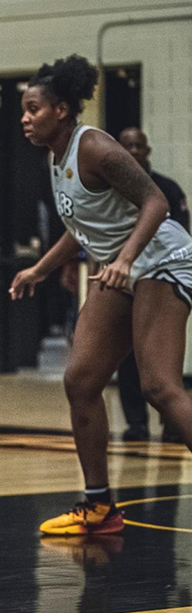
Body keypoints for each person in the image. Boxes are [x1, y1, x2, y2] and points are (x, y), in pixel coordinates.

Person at [10, 55, 192, 535]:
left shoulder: (93, 147)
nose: (25, 118)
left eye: (33, 109)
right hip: (123, 266)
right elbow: (82, 227)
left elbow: (157, 202)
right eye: (23, 110)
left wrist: (125, 261)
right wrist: (41, 269)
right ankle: (98, 507)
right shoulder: (55, 156)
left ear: (62, 109)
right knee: (81, 380)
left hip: (163, 259)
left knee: (159, 386)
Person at [114, 127, 190, 442]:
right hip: (123, 277)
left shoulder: (167, 189)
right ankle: (136, 424)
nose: (133, 151)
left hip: (160, 275)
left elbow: (180, 234)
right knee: (126, 358)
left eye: (138, 146)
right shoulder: (111, 188)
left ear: (147, 151)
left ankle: (172, 424)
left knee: (161, 370)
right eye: (127, 146)